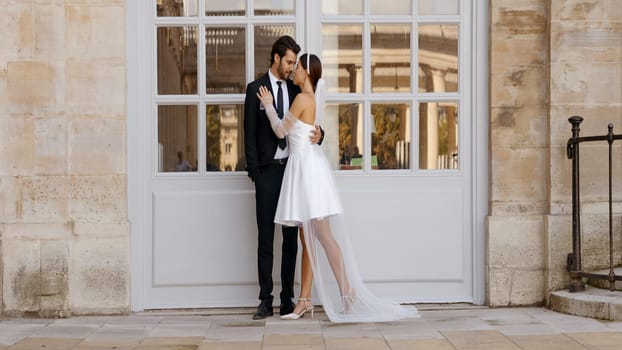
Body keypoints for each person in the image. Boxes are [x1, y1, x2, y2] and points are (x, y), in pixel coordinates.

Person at [256, 53, 420, 322]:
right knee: (310, 236)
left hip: (306, 170)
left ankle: (347, 292)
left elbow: (281, 131)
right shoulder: (311, 99)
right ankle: (309, 299)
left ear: (306, 73)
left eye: (297, 67)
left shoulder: (301, 98)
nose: (294, 70)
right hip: (308, 167)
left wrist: (269, 105)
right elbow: (308, 130)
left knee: (320, 236)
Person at [244, 36, 323, 320]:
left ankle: (288, 299)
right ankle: (265, 300)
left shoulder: (296, 89)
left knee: (291, 240)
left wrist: (320, 134)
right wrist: (256, 173)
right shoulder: (255, 89)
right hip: (267, 174)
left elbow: (305, 123)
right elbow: (249, 136)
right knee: (265, 238)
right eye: (289, 61)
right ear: (276, 58)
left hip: (293, 172)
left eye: (295, 63)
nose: (292, 67)